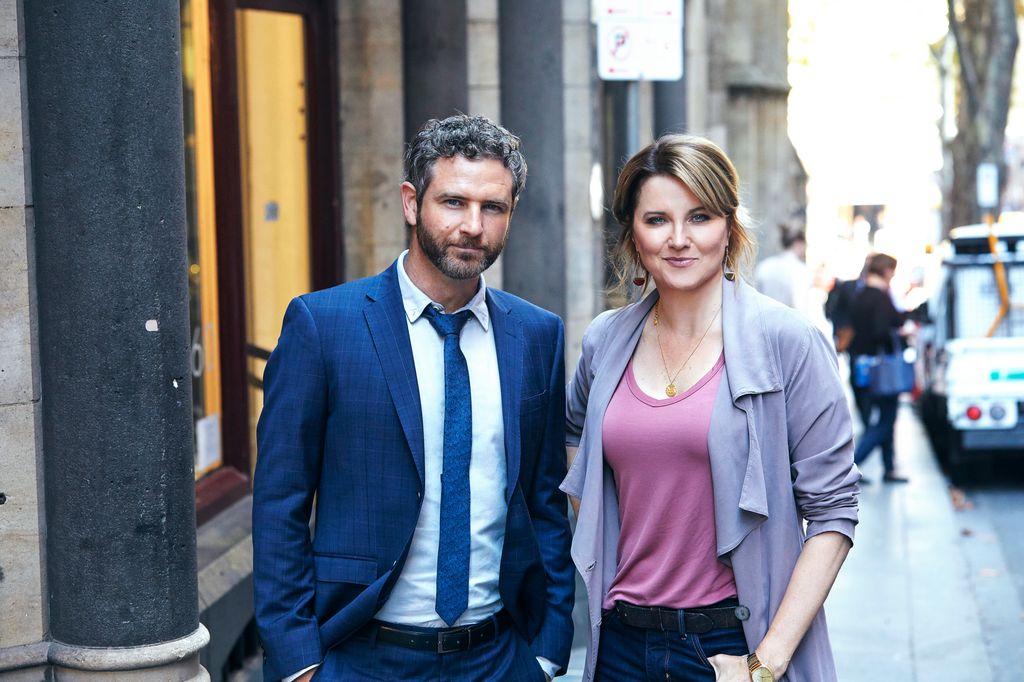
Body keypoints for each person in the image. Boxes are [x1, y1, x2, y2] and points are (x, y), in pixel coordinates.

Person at [252, 115, 575, 682]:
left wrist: (547, 651)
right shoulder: (324, 326)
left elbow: (544, 500)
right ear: (411, 203)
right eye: (453, 202)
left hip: (499, 658)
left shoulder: (535, 335)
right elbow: (280, 502)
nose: (472, 226)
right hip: (359, 656)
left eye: (492, 208)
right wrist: (298, 662)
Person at [562, 134, 860, 682]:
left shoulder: (787, 341)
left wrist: (764, 665)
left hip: (731, 646)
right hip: (620, 644)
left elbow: (834, 511)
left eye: (699, 217)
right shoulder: (606, 341)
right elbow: (575, 435)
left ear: (729, 226)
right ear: (633, 232)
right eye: (657, 220)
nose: (679, 239)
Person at [848, 252, 909, 483]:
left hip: (860, 366)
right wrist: (901, 334)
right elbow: (882, 330)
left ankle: (889, 467)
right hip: (881, 368)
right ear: (886, 271)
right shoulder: (881, 297)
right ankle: (851, 465)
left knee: (877, 419)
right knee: (886, 419)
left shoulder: (859, 294)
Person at [754, 224, 811, 312]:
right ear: (799, 243)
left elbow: (756, 301)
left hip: (766, 321)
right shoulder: (801, 271)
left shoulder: (765, 266)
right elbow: (800, 307)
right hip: (790, 323)